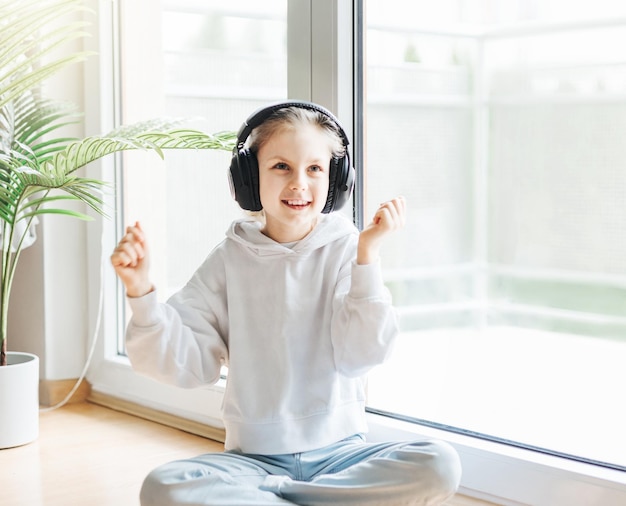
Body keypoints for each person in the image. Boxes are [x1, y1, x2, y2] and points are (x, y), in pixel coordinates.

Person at [110, 101, 461, 506]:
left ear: (334, 181)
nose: (299, 183)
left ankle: (277, 499)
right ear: (247, 178)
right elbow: (187, 363)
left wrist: (368, 256)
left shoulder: (348, 249)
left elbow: (362, 355)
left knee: (439, 463)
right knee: (165, 485)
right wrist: (141, 293)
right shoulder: (228, 259)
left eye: (314, 169)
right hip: (253, 461)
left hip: (341, 454)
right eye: (281, 167)